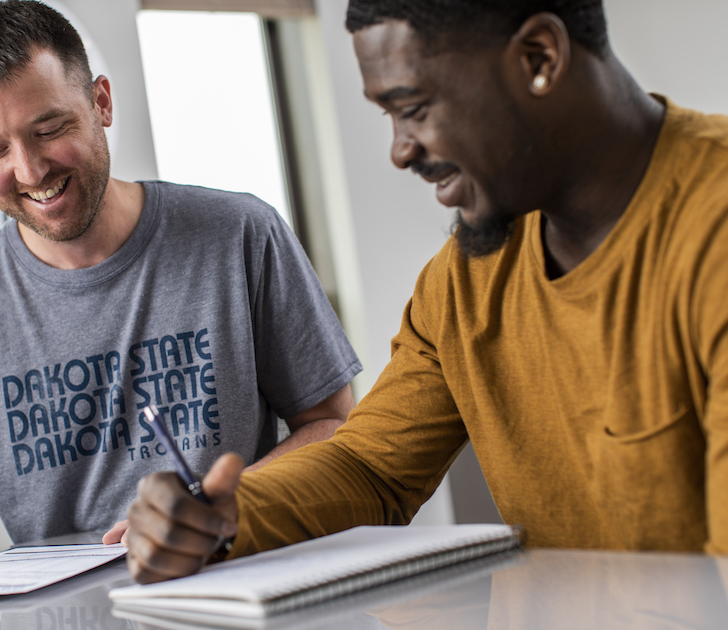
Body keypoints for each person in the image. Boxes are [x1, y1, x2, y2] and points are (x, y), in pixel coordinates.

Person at [123, 0, 728, 584]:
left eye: (412, 108)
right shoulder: (467, 277)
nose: (400, 149)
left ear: (540, 58)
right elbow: (370, 468)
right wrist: (223, 516)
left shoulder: (710, 233)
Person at [0, 0, 360, 592]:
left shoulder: (240, 234)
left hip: (238, 583)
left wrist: (226, 508)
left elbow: (333, 424)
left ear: (101, 102)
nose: (30, 169)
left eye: (49, 130)